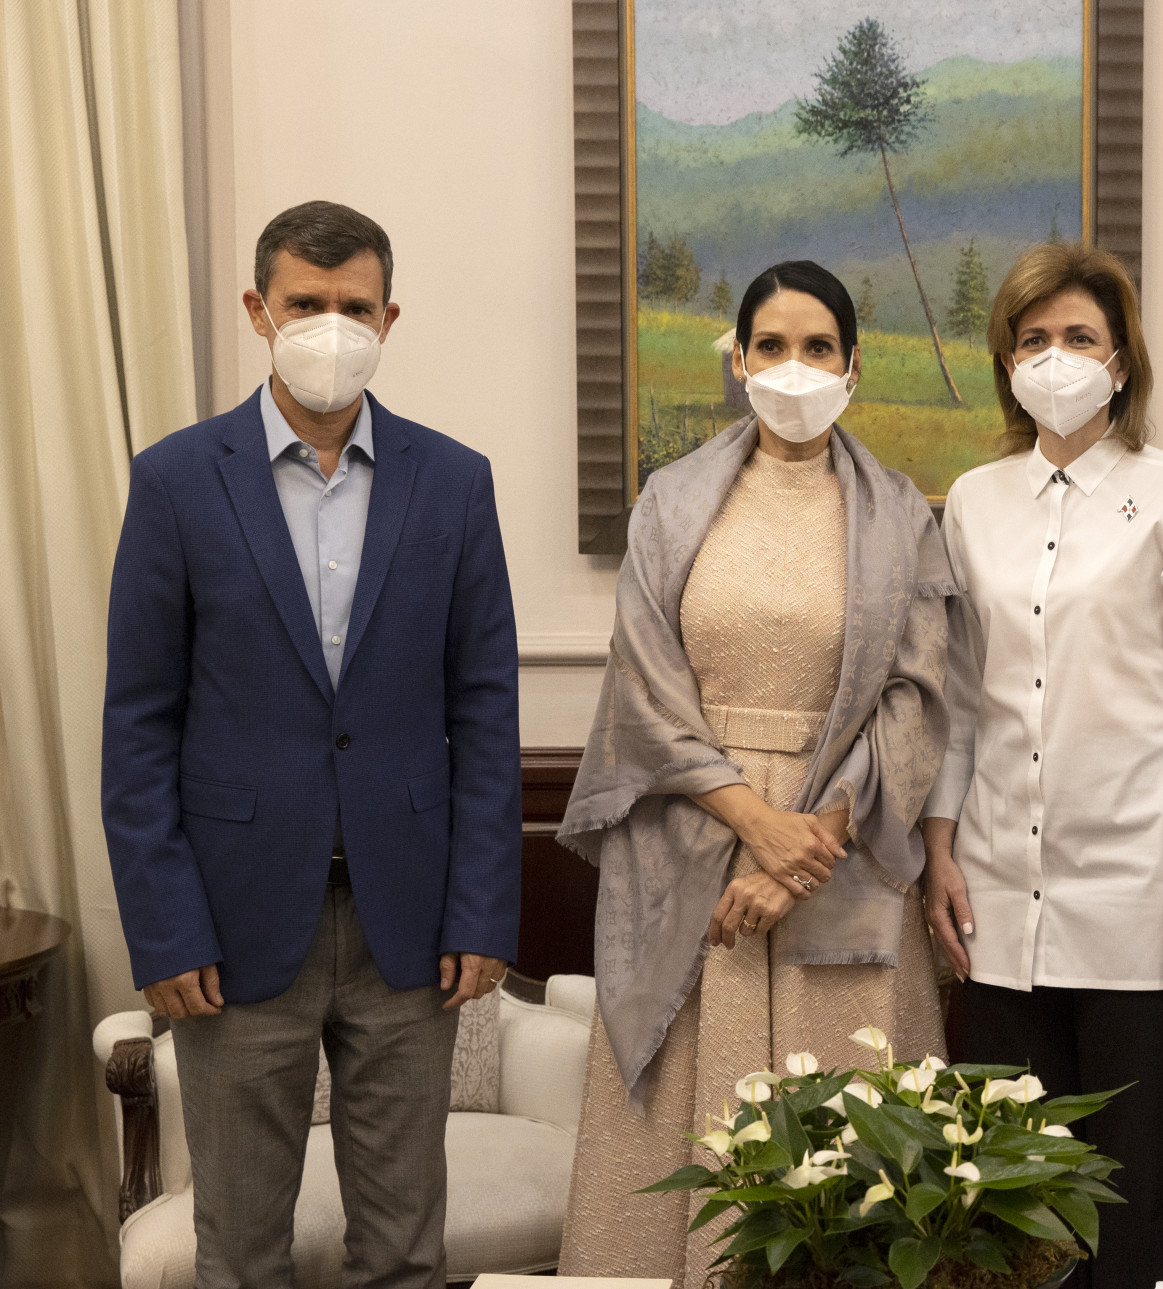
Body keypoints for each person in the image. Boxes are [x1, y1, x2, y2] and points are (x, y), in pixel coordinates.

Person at [101, 200, 522, 1288]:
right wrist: (164, 926)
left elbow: (484, 711)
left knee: (404, 1252)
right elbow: (139, 724)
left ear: (389, 317)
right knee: (241, 1255)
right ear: (259, 310)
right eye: (305, 303)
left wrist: (483, 910)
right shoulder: (176, 479)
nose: (330, 326)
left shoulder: (454, 479)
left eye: (354, 306)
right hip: (233, 930)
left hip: (410, 929)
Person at [556, 261, 953, 1282]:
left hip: (845, 848)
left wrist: (805, 849)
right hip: (696, 842)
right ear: (737, 360)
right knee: (689, 1146)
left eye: (818, 347)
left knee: (853, 1155)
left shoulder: (902, 514)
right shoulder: (672, 501)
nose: (793, 368)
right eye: (771, 346)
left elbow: (914, 699)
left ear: (854, 366)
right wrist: (757, 825)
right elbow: (642, 684)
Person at [921, 242, 1163, 1289]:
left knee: (1126, 1203)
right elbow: (960, 699)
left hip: (1143, 904)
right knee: (1005, 1208)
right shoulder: (973, 500)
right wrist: (939, 848)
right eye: (1033, 339)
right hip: (997, 903)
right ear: (1006, 362)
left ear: (1120, 361)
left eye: (1079, 336)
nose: (1055, 357)